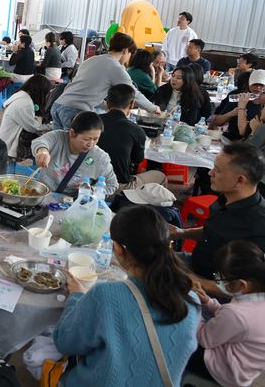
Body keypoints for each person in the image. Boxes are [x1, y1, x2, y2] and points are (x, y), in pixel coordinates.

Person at [53, 205, 200, 387]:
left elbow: (64, 343)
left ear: (117, 249)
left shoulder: (105, 296)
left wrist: (76, 297)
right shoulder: (192, 300)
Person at [170, 142, 265, 292]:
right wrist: (181, 233)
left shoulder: (258, 225)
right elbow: (214, 230)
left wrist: (192, 280)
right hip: (194, 264)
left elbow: (243, 290)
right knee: (144, 254)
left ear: (240, 180)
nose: (210, 173)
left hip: (212, 289)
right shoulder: (226, 198)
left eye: (217, 170)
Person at [184, 240, 265, 387]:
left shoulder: (236, 314)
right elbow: (230, 319)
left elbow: (204, 338)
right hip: (246, 367)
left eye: (222, 278)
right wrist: (207, 301)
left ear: (241, 284)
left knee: (179, 336)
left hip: (224, 371)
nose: (219, 282)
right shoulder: (255, 299)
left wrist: (194, 304)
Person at [51, 32, 159, 130]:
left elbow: (85, 88)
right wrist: (153, 108)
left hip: (58, 105)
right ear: (126, 50)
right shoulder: (116, 68)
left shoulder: (91, 60)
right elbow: (133, 93)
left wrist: (104, 105)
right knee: (76, 145)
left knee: (60, 144)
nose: (129, 58)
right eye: (130, 54)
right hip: (74, 111)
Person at [32, 111, 118, 196]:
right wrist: (43, 151)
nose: (91, 144)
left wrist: (91, 190)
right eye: (86, 139)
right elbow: (40, 142)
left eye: (95, 139)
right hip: (41, 193)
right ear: (72, 133)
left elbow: (112, 185)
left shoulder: (100, 158)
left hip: (72, 202)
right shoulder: (58, 138)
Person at [98, 84, 167, 190]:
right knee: (160, 176)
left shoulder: (93, 121)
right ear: (132, 104)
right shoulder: (136, 130)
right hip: (118, 185)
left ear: (107, 102)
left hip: (87, 180)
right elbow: (137, 159)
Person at [0, 74, 52, 161]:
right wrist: (51, 126)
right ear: (40, 91)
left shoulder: (21, 96)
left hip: (6, 140)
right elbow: (33, 127)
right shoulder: (24, 103)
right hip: (9, 143)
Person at [211, 70, 264, 141]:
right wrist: (231, 113)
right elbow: (217, 122)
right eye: (255, 84)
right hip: (231, 138)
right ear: (249, 84)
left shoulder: (263, 105)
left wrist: (241, 109)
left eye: (262, 85)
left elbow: (243, 131)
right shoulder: (240, 97)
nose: (258, 88)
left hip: (253, 142)